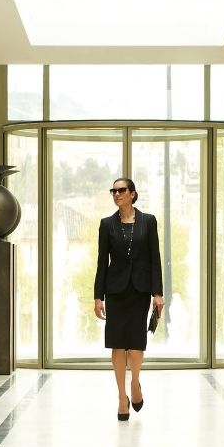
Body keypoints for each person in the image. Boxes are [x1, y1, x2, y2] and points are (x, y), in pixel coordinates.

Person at [93, 177, 164, 421]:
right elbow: (102, 262)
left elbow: (155, 259)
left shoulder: (148, 221)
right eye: (113, 191)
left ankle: (135, 383)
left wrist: (157, 293)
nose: (116, 194)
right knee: (117, 343)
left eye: (121, 190)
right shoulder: (107, 224)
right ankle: (121, 397)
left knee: (135, 343)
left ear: (132, 194)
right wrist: (98, 297)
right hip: (115, 291)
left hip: (140, 290)